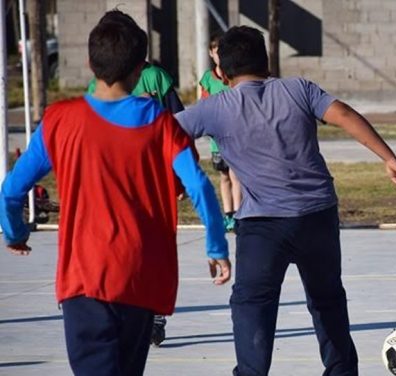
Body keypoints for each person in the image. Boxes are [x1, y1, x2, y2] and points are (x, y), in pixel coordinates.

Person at [0, 10, 231, 375]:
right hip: (139, 277)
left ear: (90, 62)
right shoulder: (159, 122)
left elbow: (11, 191)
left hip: (83, 280)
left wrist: (15, 231)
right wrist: (216, 246)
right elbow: (199, 185)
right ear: (141, 68)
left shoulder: (60, 119)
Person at [176, 25, 396, 376]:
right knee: (327, 299)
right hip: (317, 215)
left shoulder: (214, 108)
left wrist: (172, 177)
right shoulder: (298, 88)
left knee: (253, 304)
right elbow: (345, 114)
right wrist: (389, 158)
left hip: (262, 227)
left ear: (222, 73)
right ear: (268, 63)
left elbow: (161, 135)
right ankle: (342, 371)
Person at [87, 17, 186, 346]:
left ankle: (153, 315)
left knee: (152, 249)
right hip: (114, 184)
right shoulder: (95, 88)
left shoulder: (156, 78)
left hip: (154, 181)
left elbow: (177, 120)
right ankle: (115, 307)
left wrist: (177, 174)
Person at [198, 34, 241, 232]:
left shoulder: (233, 75)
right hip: (217, 139)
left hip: (234, 136)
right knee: (223, 176)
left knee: (235, 176)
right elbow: (203, 104)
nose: (219, 56)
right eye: (216, 52)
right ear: (211, 53)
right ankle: (229, 214)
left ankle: (240, 215)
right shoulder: (207, 79)